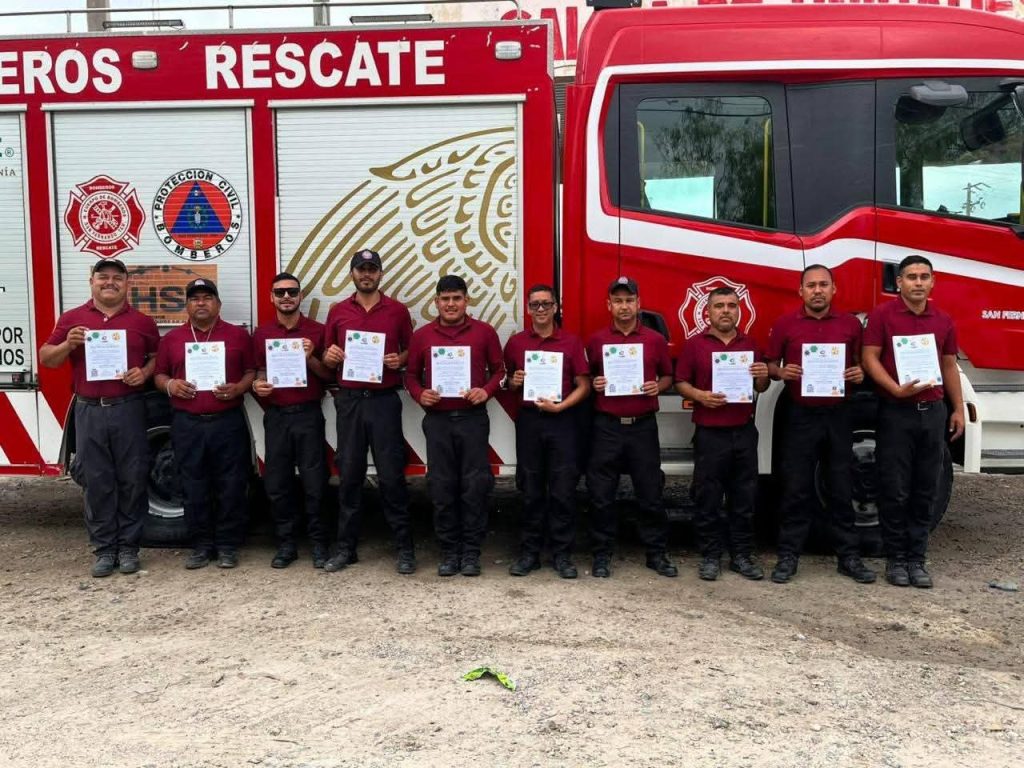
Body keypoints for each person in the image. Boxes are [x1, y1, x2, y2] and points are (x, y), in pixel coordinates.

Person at [40, 259, 159, 577]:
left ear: (127, 284)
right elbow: (47, 359)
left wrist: (144, 372)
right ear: (91, 281)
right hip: (89, 409)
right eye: (103, 277)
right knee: (97, 481)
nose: (110, 283)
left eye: (117, 278)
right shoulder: (72, 319)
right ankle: (105, 550)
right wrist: (68, 343)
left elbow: (156, 358)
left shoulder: (142, 322)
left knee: (133, 478)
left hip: (128, 407)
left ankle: (129, 548)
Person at [764, 265, 876, 585]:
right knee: (796, 488)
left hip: (839, 414)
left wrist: (860, 373)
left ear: (833, 289)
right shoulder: (786, 324)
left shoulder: (851, 324)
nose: (817, 290)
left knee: (841, 486)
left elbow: (862, 365)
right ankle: (788, 556)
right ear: (800, 291)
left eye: (823, 285)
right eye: (811, 285)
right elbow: (770, 364)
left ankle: (849, 556)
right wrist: (781, 372)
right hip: (800, 415)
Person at [862, 255, 964, 588]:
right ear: (899, 282)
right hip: (895, 412)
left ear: (933, 282)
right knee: (894, 489)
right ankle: (896, 559)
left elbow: (948, 365)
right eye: (911, 277)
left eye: (924, 277)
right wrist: (893, 388)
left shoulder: (943, 320)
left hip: (932, 413)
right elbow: (869, 358)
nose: (918, 283)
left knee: (925, 489)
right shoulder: (882, 316)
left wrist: (958, 408)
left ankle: (917, 559)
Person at [322, 250, 416, 574]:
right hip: (350, 401)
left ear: (380, 274)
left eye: (372, 269)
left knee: (391, 476)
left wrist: (400, 360)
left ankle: (405, 549)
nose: (366, 275)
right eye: (361, 269)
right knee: (349, 475)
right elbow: (327, 355)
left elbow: (412, 350)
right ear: (352, 274)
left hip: (383, 400)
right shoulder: (337, 311)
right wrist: (330, 356)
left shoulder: (398, 311)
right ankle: (345, 549)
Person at [405, 275, 505, 577]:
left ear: (466, 301)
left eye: (457, 298)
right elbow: (410, 375)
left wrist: (486, 391)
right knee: (442, 486)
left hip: (473, 419)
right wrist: (419, 393)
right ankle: (449, 552)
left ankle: (471, 553)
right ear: (436, 302)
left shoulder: (485, 333)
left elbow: (500, 371)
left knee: (475, 486)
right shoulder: (422, 336)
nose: (451, 304)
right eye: (445, 299)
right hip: (437, 422)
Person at [154, 278, 256, 570]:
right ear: (186, 305)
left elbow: (251, 371)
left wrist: (239, 388)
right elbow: (159, 375)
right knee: (193, 485)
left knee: (231, 485)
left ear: (218, 304)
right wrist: (171, 385)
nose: (201, 303)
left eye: (207, 297)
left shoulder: (238, 336)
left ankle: (227, 546)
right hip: (187, 424)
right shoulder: (171, 339)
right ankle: (200, 546)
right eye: (194, 298)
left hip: (227, 422)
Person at [675, 286, 770, 581]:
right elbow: (680, 382)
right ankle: (710, 556)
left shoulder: (750, 344)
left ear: (739, 310)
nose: (725, 311)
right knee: (708, 499)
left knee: (744, 498)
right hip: (710, 433)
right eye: (719, 306)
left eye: (731, 305)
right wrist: (700, 396)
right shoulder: (695, 345)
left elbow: (762, 387)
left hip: (743, 431)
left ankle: (741, 556)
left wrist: (762, 377)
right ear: (708, 312)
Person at [585, 276, 676, 579]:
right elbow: (588, 378)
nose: (624, 306)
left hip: (642, 426)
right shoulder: (597, 341)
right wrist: (596, 383)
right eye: (618, 301)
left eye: (629, 300)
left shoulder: (654, 340)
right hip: (607, 427)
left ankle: (656, 553)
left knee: (650, 492)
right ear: (608, 305)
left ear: (639, 304)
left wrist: (658, 386)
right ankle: (602, 555)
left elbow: (668, 376)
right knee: (601, 494)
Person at [503, 284, 591, 579]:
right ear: (528, 309)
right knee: (530, 489)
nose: (540, 310)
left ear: (556, 307)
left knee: (563, 489)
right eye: (535, 305)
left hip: (562, 421)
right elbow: (507, 383)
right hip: (530, 421)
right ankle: (530, 553)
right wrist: (514, 381)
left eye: (546, 304)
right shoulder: (516, 343)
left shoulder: (571, 342)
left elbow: (584, 385)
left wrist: (561, 406)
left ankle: (562, 554)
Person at [252, 272, 332, 570]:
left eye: (292, 292)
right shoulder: (261, 334)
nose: (286, 297)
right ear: (271, 298)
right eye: (280, 292)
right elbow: (259, 371)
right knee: (278, 483)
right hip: (276, 416)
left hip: (308, 414)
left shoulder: (317, 331)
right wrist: (257, 385)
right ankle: (286, 544)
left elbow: (329, 375)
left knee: (315, 482)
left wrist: (311, 358)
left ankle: (319, 544)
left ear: (300, 296)